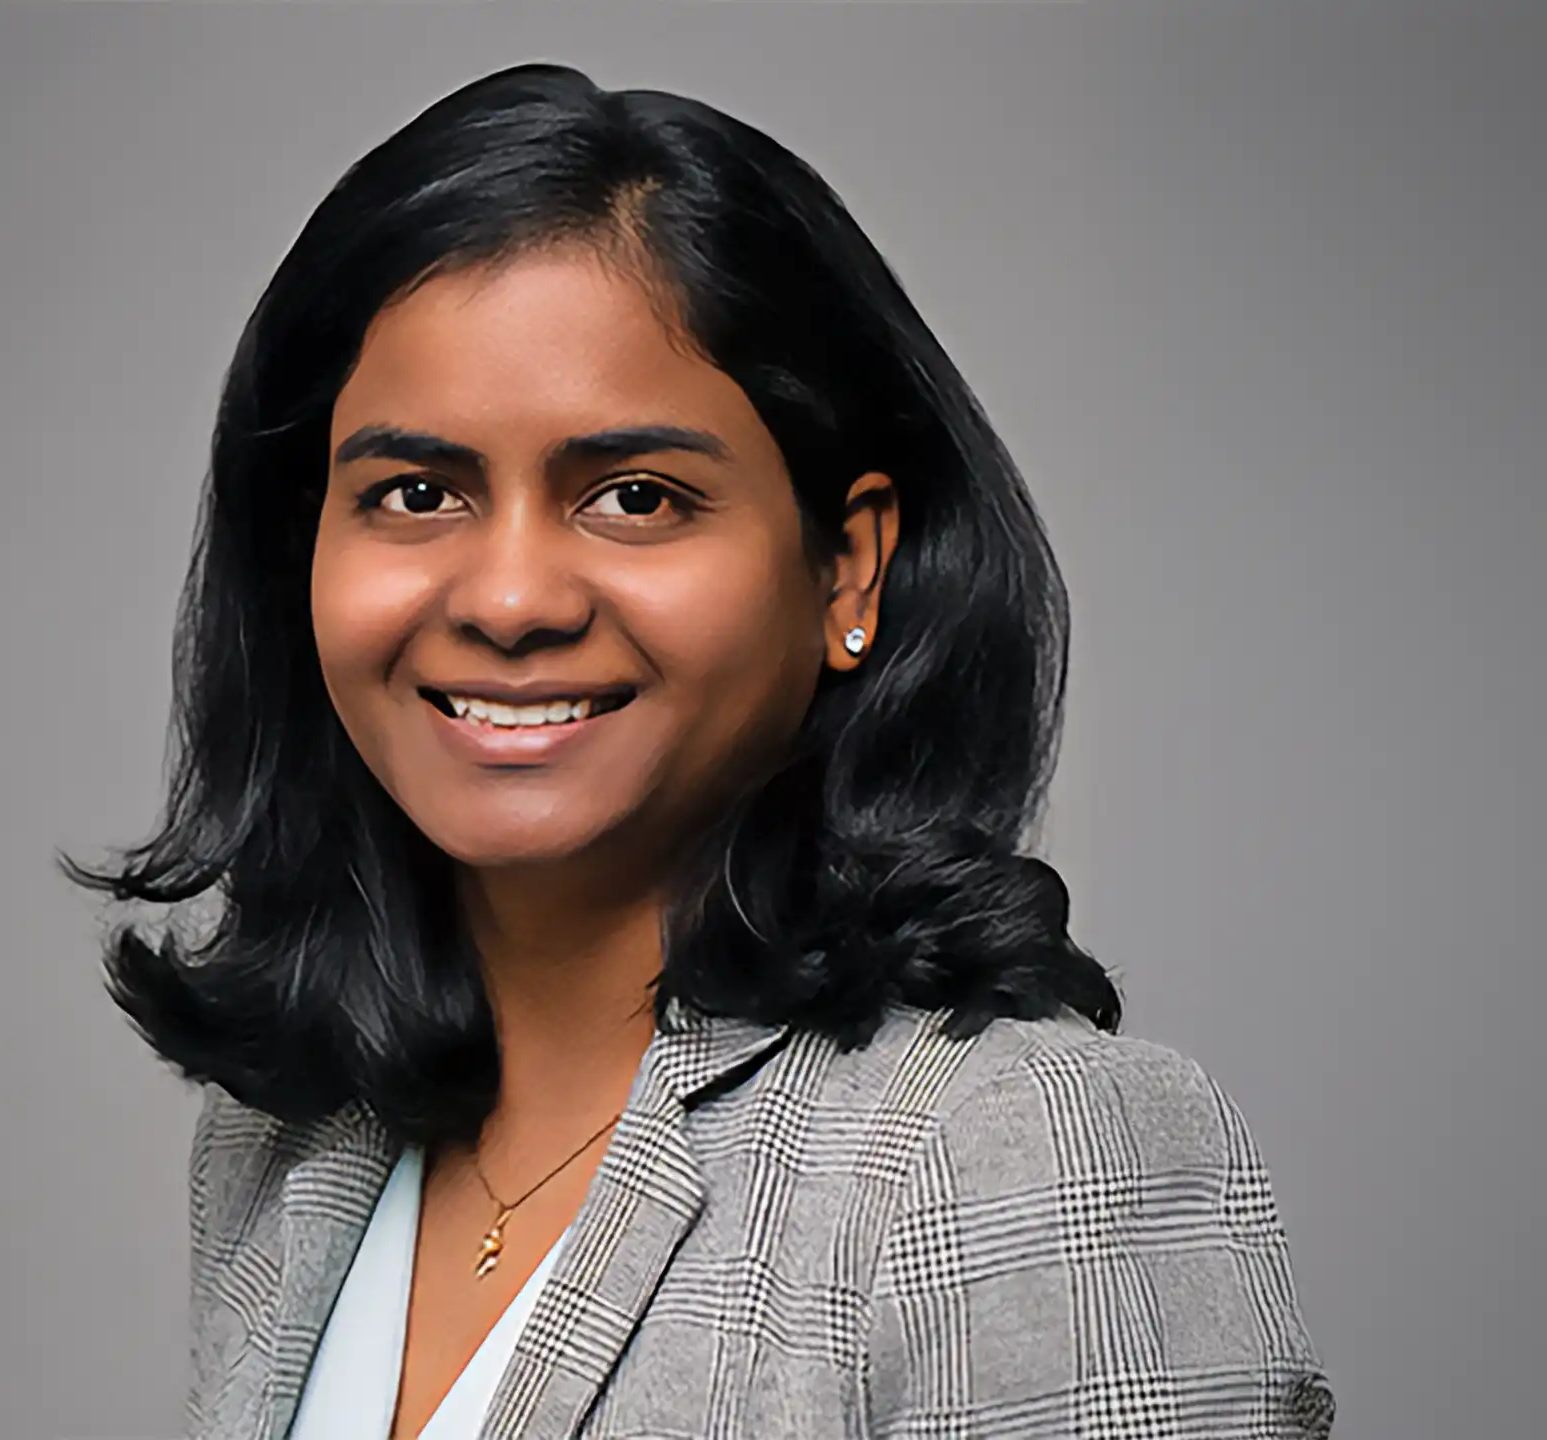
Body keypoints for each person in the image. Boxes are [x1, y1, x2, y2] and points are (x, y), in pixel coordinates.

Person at [64, 62, 1333, 1440]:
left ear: (847, 569)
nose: (508, 601)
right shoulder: (284, 1147)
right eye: (416, 493)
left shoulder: (1012, 1152)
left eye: (633, 497)